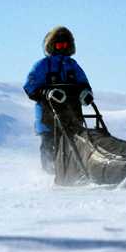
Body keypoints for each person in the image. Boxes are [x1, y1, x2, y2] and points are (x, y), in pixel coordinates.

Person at [23, 27, 91, 172]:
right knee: (50, 146)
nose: (62, 49)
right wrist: (47, 92)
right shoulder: (42, 65)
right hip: (49, 117)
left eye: (66, 45)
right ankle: (49, 175)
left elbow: (84, 83)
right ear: (52, 46)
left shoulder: (73, 65)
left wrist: (85, 93)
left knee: (76, 145)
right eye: (59, 45)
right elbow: (30, 87)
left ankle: (78, 171)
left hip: (73, 116)